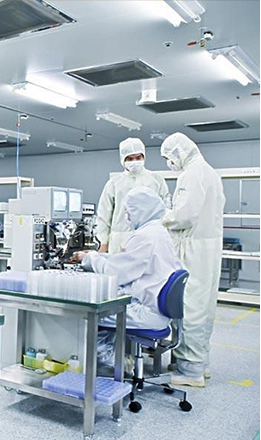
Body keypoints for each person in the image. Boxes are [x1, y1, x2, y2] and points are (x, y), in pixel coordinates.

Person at [73, 187, 181, 366]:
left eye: (130, 212)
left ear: (143, 210)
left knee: (83, 314)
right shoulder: (158, 232)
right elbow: (127, 261)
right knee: (109, 304)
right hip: (158, 310)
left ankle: (116, 362)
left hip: (146, 312)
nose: (127, 217)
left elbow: (115, 273)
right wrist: (98, 256)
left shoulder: (145, 236)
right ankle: (115, 358)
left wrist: (89, 258)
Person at [160, 132, 225, 388]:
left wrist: (163, 215)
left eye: (169, 157)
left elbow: (184, 216)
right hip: (207, 248)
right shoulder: (209, 172)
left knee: (190, 307)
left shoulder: (191, 174)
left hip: (192, 248)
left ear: (178, 153)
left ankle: (190, 371)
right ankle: (200, 363)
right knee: (204, 305)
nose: (170, 163)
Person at [95, 138, 169, 254]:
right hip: (120, 240)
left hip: (150, 238)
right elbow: (104, 215)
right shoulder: (114, 183)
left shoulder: (156, 180)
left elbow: (165, 209)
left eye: (138, 158)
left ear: (144, 157)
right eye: (130, 158)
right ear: (123, 160)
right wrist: (103, 242)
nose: (134, 161)